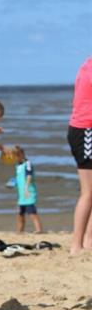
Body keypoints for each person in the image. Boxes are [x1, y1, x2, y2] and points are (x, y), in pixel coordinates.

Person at [68, 57, 92, 255]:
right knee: (88, 192)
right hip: (86, 130)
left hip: (86, 129)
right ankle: (76, 246)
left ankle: (89, 240)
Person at [12, 145, 43, 234]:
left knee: (31, 212)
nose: (15, 159)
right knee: (20, 213)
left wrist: (26, 188)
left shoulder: (28, 163)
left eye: (16, 156)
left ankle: (38, 229)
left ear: (21, 155)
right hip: (21, 193)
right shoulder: (18, 166)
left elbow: (29, 176)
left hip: (28, 191)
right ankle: (20, 230)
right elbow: (18, 177)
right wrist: (13, 183)